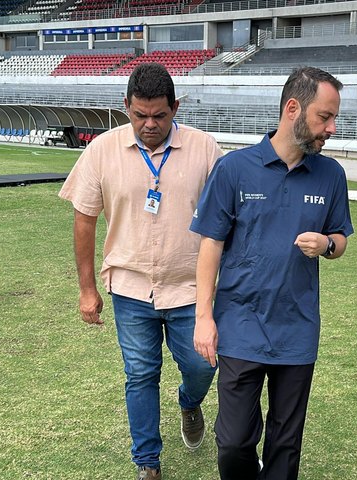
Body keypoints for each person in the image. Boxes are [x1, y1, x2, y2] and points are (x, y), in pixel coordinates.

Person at [59, 62, 222, 480]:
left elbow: (226, 222)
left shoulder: (205, 150)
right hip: (130, 287)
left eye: (160, 116)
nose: (149, 124)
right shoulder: (101, 150)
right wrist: (86, 288)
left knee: (203, 367)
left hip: (190, 289)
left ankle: (189, 402)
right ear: (125, 106)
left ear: (176, 108)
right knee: (140, 373)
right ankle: (147, 462)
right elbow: (84, 219)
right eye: (139, 115)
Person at [190, 66, 354, 480]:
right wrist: (204, 317)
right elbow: (210, 244)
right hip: (240, 324)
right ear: (292, 108)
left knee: (285, 445)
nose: (331, 128)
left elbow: (340, 239)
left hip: (297, 329)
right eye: (324, 117)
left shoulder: (331, 175)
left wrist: (327, 245)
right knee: (233, 444)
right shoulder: (234, 169)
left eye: (335, 118)